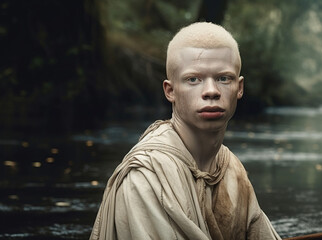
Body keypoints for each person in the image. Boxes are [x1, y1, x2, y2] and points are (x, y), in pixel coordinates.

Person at [90, 22, 281, 240]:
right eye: (193, 80)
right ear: (170, 91)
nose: (211, 91)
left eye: (223, 78)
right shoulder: (145, 179)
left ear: (239, 88)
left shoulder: (231, 168)